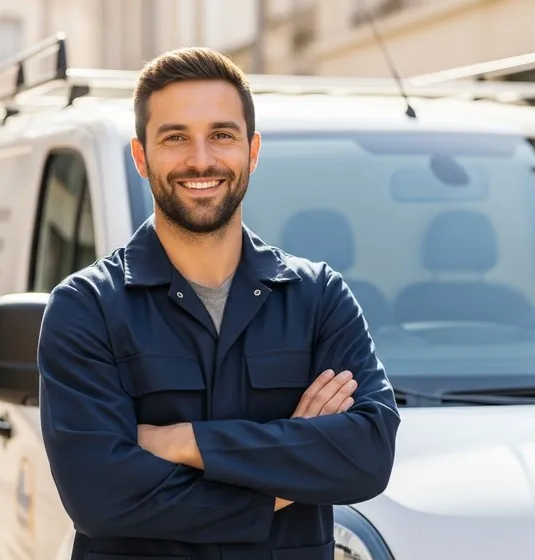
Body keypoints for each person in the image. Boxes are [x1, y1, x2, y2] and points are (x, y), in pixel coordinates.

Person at [37, 46, 401, 560]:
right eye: (176, 137)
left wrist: (186, 442)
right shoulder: (86, 306)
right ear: (141, 157)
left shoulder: (318, 297)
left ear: (252, 152)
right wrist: (287, 472)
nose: (201, 159)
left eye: (221, 135)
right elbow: (101, 497)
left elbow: (368, 454)